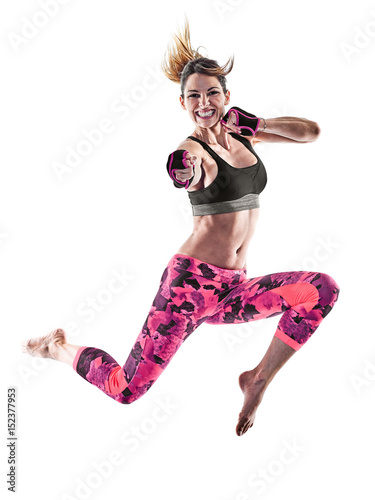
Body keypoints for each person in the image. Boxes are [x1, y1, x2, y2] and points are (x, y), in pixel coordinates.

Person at [22, 19, 340, 436]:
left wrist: (258, 125)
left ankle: (257, 379)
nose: (203, 102)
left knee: (322, 290)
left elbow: (311, 133)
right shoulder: (191, 149)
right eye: (193, 96)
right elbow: (184, 170)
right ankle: (57, 348)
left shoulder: (244, 137)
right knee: (126, 390)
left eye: (212, 93)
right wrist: (185, 171)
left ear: (227, 97)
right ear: (182, 103)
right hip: (189, 289)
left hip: (233, 289)